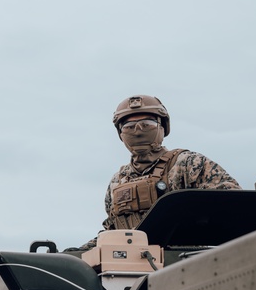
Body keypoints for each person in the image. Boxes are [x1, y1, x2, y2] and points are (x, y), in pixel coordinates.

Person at [77, 95, 240, 250]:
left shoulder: (187, 164)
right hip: (127, 269)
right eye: (129, 127)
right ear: (120, 133)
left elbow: (233, 204)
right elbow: (111, 232)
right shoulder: (117, 182)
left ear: (162, 127)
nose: (138, 131)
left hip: (182, 262)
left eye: (147, 124)